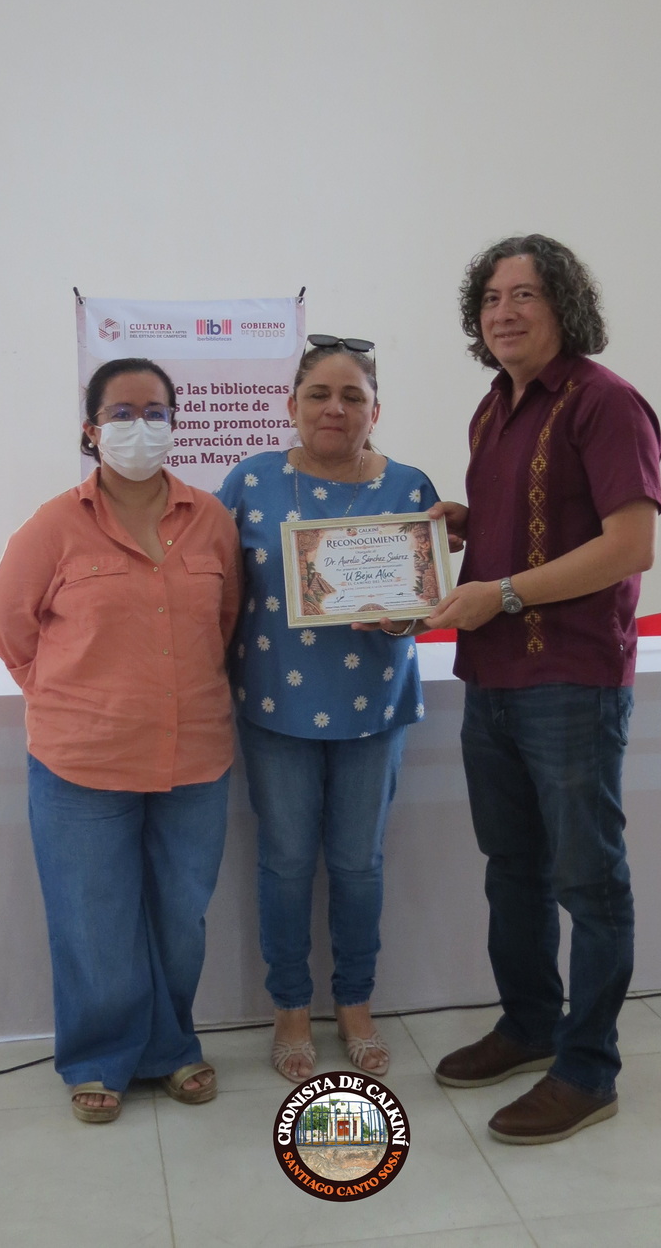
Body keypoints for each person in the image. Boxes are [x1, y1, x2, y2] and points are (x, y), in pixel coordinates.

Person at [427, 235, 661, 1144]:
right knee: (512, 869)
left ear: (565, 305)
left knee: (587, 882)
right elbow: (528, 527)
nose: (504, 312)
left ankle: (587, 1068)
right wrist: (463, 522)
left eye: (524, 294)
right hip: (489, 675)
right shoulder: (491, 410)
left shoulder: (605, 402)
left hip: (570, 678)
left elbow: (628, 546)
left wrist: (503, 594)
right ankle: (528, 1023)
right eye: (490, 298)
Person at [0, 357, 240, 1123]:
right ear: (91, 430)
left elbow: (226, 623)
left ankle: (169, 1047)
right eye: (121, 413)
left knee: (179, 918)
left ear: (175, 424)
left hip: (194, 753)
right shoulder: (53, 525)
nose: (139, 427)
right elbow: (8, 626)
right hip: (82, 758)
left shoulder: (210, 519)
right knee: (93, 920)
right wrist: (64, 698)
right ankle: (98, 1057)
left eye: (154, 411)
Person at [216, 335, 438, 1082]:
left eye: (352, 396)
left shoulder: (409, 487)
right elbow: (214, 589)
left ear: (376, 410)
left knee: (358, 863)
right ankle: (288, 1007)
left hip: (373, 708)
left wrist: (406, 619)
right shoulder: (249, 482)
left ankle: (354, 1003)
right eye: (319, 394)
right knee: (284, 863)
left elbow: (425, 604)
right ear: (292, 405)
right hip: (274, 706)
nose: (334, 408)